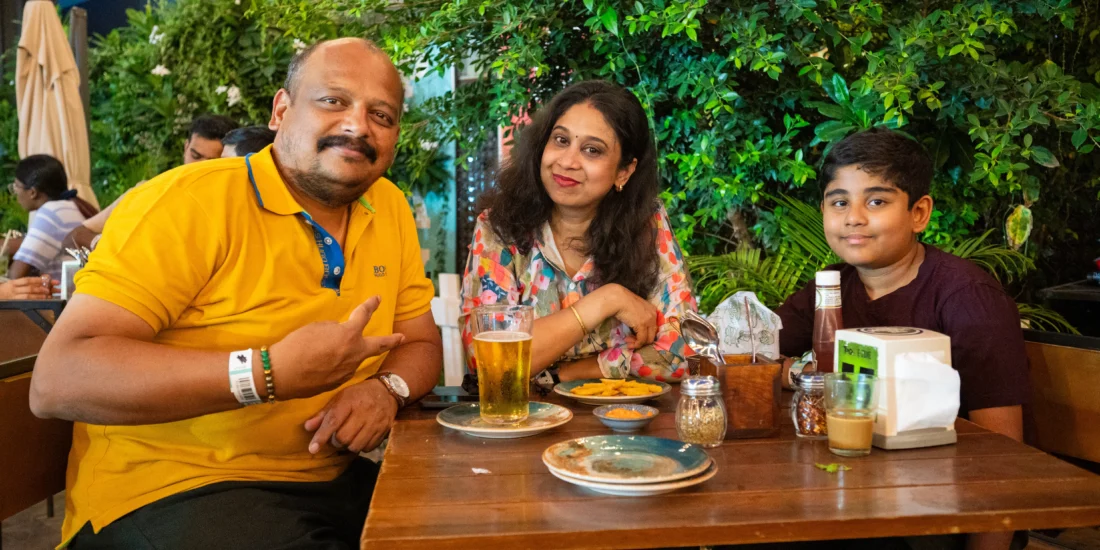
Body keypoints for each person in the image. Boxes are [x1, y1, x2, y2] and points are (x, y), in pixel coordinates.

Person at [31, 38, 440, 549]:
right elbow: (58, 379)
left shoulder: (390, 207)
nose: (358, 126)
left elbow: (422, 346)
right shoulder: (190, 201)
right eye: (333, 101)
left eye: (382, 114)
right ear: (281, 110)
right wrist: (264, 373)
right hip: (171, 488)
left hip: (331, 479)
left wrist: (385, 391)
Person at [776, 128, 1029, 548]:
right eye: (840, 202)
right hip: (850, 496)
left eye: (876, 201)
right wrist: (802, 372)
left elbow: (1004, 458)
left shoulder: (967, 298)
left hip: (940, 517)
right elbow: (751, 357)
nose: (854, 217)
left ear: (919, 212)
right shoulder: (831, 287)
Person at [459, 80, 697, 384]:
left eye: (592, 150)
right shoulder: (499, 227)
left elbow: (683, 352)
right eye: (560, 140)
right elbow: (490, 361)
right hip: (523, 421)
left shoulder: (648, 224)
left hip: (622, 422)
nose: (567, 162)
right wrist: (607, 300)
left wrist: (559, 375)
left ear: (624, 171)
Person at [65, 115, 242, 249]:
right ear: (185, 148)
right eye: (195, 156)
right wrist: (104, 245)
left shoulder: (236, 209)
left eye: (212, 162)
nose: (199, 167)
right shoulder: (149, 191)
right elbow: (74, 236)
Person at [6, 155, 98, 280]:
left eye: (16, 187)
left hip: (64, 296)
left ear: (32, 192)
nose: (15, 193)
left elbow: (16, 275)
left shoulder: (51, 212)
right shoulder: (71, 206)